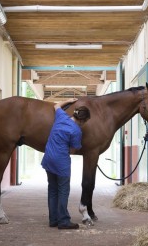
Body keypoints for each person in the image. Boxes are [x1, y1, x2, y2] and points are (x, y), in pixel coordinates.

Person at [41, 98, 91, 230]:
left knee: (52, 189)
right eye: (85, 122)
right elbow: (74, 149)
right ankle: (63, 221)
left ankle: (53, 220)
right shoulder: (76, 131)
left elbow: (56, 105)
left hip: (48, 157)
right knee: (63, 190)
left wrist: (68, 100)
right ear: (82, 120)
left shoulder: (62, 116)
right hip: (61, 162)